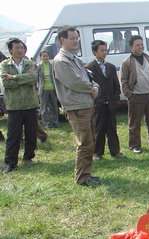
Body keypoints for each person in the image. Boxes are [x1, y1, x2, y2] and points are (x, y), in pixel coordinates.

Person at [53, 26, 100, 186]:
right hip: (76, 106)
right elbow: (75, 82)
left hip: (85, 104)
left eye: (77, 38)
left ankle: (87, 174)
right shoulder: (61, 60)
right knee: (84, 142)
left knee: (90, 140)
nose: (76, 41)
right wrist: (92, 89)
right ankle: (82, 178)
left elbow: (87, 76)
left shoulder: (74, 58)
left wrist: (95, 87)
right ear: (62, 40)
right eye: (72, 38)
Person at [0, 37, 39, 174]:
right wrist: (24, 78)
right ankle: (11, 162)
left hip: (30, 103)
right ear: (10, 50)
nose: (20, 50)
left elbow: (34, 78)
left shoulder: (29, 63)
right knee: (13, 135)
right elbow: (6, 83)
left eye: (22, 47)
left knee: (31, 133)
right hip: (14, 105)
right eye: (17, 48)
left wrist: (15, 77)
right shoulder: (5, 65)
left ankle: (28, 157)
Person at [120, 34, 149, 153]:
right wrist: (129, 95)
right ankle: (135, 145)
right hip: (136, 96)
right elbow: (123, 80)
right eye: (137, 45)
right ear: (131, 47)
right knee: (135, 122)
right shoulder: (127, 62)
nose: (140, 47)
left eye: (141, 44)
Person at [85, 40, 125, 160]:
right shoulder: (89, 68)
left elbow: (116, 85)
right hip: (99, 104)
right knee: (99, 128)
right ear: (95, 52)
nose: (104, 52)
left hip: (111, 103)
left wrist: (115, 97)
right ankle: (98, 153)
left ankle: (115, 152)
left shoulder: (111, 67)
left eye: (105, 50)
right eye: (101, 50)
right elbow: (89, 86)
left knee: (112, 128)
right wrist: (96, 100)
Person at [37, 50, 59, 129]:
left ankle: (55, 122)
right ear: (40, 57)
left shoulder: (52, 65)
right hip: (43, 89)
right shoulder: (38, 66)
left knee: (54, 107)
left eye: (46, 56)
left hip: (52, 88)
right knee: (44, 108)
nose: (45, 57)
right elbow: (36, 78)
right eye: (43, 56)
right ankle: (46, 124)